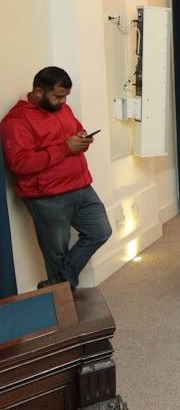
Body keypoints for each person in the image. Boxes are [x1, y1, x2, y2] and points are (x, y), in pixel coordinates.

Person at [1, 67, 112, 289]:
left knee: (100, 231)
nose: (63, 102)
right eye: (59, 96)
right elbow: (20, 164)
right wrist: (65, 148)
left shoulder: (63, 109)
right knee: (56, 253)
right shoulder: (16, 121)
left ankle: (57, 284)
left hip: (81, 187)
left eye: (66, 97)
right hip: (48, 198)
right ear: (39, 92)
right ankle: (62, 299)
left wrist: (82, 139)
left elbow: (76, 130)